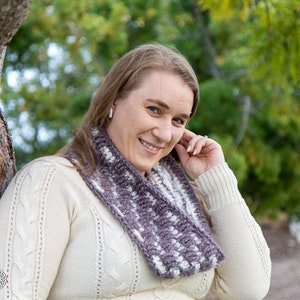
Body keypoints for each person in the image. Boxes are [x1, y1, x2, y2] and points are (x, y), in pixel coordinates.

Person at [0, 44, 271, 299]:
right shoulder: (52, 181)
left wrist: (215, 178)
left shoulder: (184, 202)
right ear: (113, 101)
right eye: (154, 110)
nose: (165, 133)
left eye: (178, 120)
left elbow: (248, 290)